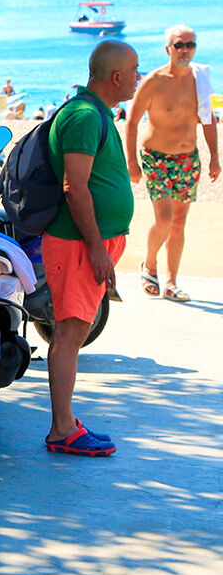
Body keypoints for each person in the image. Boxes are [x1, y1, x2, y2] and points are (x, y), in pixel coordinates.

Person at [43, 40, 139, 456]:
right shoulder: (83, 116)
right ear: (116, 77)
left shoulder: (95, 112)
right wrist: (98, 249)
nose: (139, 77)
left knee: (75, 329)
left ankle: (66, 422)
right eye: (135, 71)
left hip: (90, 243)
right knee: (70, 332)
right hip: (76, 244)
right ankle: (62, 429)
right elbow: (75, 188)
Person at [124, 24, 220, 303]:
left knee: (178, 223)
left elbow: (210, 119)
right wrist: (132, 161)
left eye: (190, 45)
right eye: (179, 45)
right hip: (156, 157)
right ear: (168, 49)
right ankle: (150, 264)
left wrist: (215, 157)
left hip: (188, 158)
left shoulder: (200, 79)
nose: (185, 50)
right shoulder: (153, 81)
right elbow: (131, 121)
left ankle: (172, 282)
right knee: (164, 218)